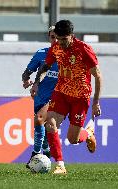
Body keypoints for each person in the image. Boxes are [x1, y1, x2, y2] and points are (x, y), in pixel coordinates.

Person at [33, 20, 102, 174]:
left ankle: (88, 133)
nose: (61, 43)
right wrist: (37, 82)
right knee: (49, 123)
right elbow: (46, 65)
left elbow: (97, 76)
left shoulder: (83, 49)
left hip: (80, 97)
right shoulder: (56, 47)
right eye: (58, 38)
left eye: (64, 39)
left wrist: (96, 102)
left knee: (73, 139)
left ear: (72, 36)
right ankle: (60, 165)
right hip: (61, 92)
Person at [22, 26, 58, 168]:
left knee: (40, 120)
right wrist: (26, 80)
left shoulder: (67, 57)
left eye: (57, 37)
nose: (55, 40)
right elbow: (26, 73)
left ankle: (35, 154)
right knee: (40, 124)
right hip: (40, 95)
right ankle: (47, 152)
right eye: (52, 37)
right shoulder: (41, 54)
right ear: (49, 38)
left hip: (57, 96)